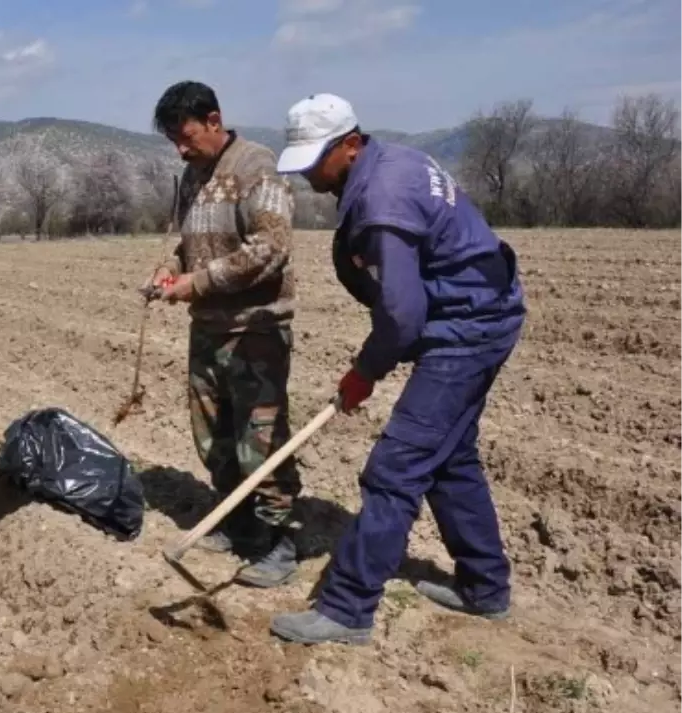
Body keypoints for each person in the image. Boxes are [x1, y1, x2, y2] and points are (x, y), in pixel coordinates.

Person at [268, 93, 526, 645]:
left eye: (316, 159)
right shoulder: (395, 160)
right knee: (450, 458)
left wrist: (365, 372)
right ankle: (485, 588)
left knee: (395, 467)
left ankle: (347, 609)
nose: (310, 173)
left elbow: (402, 318)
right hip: (479, 311)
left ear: (351, 144)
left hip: (467, 329)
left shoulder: (382, 196)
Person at [147, 80, 303, 588]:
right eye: (173, 139)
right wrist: (169, 271)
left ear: (214, 121)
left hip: (255, 330)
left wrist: (200, 281)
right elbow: (188, 244)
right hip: (208, 330)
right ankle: (235, 522)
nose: (181, 148)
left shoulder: (256, 168)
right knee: (213, 436)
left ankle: (276, 540)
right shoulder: (193, 177)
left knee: (260, 438)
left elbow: (270, 248)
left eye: (187, 136)